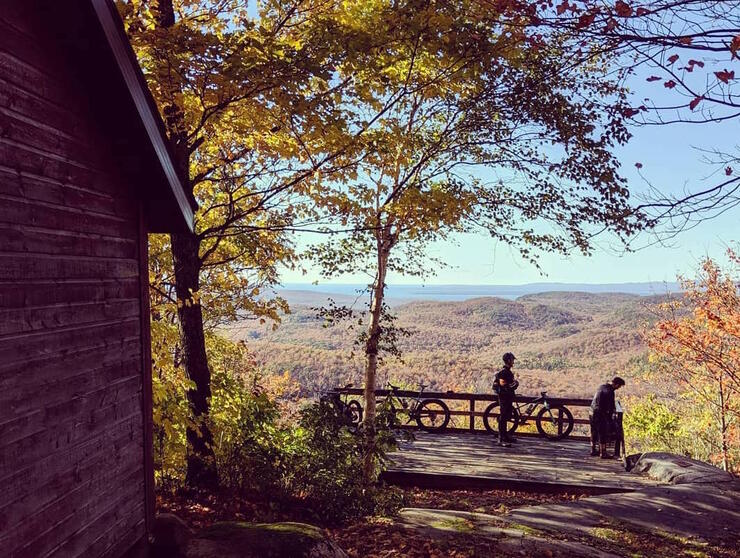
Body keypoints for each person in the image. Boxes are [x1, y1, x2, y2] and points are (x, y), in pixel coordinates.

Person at [589, 376, 625, 458]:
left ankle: (593, 450)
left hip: (592, 411)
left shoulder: (602, 387)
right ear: (616, 384)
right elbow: (611, 407)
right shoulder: (610, 392)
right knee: (602, 432)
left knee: (593, 431)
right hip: (600, 413)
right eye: (619, 386)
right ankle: (603, 453)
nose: (619, 388)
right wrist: (610, 419)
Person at [493, 352, 519, 447]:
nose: (513, 362)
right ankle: (501, 439)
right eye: (512, 360)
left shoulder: (507, 371)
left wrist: (514, 385)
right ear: (508, 360)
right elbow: (503, 383)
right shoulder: (504, 372)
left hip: (508, 396)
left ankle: (505, 436)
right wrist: (515, 384)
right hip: (504, 397)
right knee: (503, 417)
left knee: (507, 415)